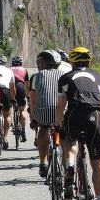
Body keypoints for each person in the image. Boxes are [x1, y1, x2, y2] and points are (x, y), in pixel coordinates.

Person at [55, 46, 100, 200]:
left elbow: (61, 105)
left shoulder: (65, 77)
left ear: (71, 61)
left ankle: (70, 165)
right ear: (89, 61)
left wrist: (57, 126)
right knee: (97, 162)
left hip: (74, 115)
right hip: (94, 116)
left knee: (70, 143)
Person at [28, 50, 63, 179]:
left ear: (43, 63)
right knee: (64, 135)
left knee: (43, 129)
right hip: (62, 111)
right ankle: (67, 164)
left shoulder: (37, 76)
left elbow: (33, 100)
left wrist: (33, 118)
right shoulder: (65, 75)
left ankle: (43, 162)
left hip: (45, 110)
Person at [0, 53, 16, 148]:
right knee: (7, 115)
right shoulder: (9, 71)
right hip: (5, 91)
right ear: (4, 63)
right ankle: (5, 137)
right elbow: (13, 88)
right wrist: (13, 99)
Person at [10, 55, 30, 144]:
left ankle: (10, 122)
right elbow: (27, 85)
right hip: (20, 87)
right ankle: (23, 130)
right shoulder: (24, 70)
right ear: (21, 63)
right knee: (22, 110)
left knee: (8, 109)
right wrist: (27, 95)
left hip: (11, 88)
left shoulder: (9, 69)